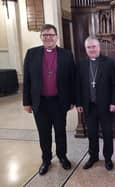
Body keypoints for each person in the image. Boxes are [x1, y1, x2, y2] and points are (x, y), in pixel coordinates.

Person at [23, 24, 75, 175]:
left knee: (60, 131)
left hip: (59, 101)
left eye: (51, 35)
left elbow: (71, 79)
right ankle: (46, 160)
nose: (48, 38)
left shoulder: (66, 54)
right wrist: (26, 102)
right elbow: (27, 80)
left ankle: (62, 156)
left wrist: (72, 99)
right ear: (41, 37)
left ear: (56, 37)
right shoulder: (31, 54)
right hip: (40, 102)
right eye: (45, 35)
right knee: (44, 133)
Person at [76, 36, 115, 171]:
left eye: (94, 46)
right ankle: (93, 156)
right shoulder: (81, 64)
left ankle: (108, 158)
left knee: (107, 133)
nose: (92, 49)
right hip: (89, 105)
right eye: (89, 47)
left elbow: (114, 85)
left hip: (106, 106)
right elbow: (79, 85)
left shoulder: (109, 62)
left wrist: (114, 102)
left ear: (99, 47)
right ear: (86, 49)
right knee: (92, 133)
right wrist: (79, 103)